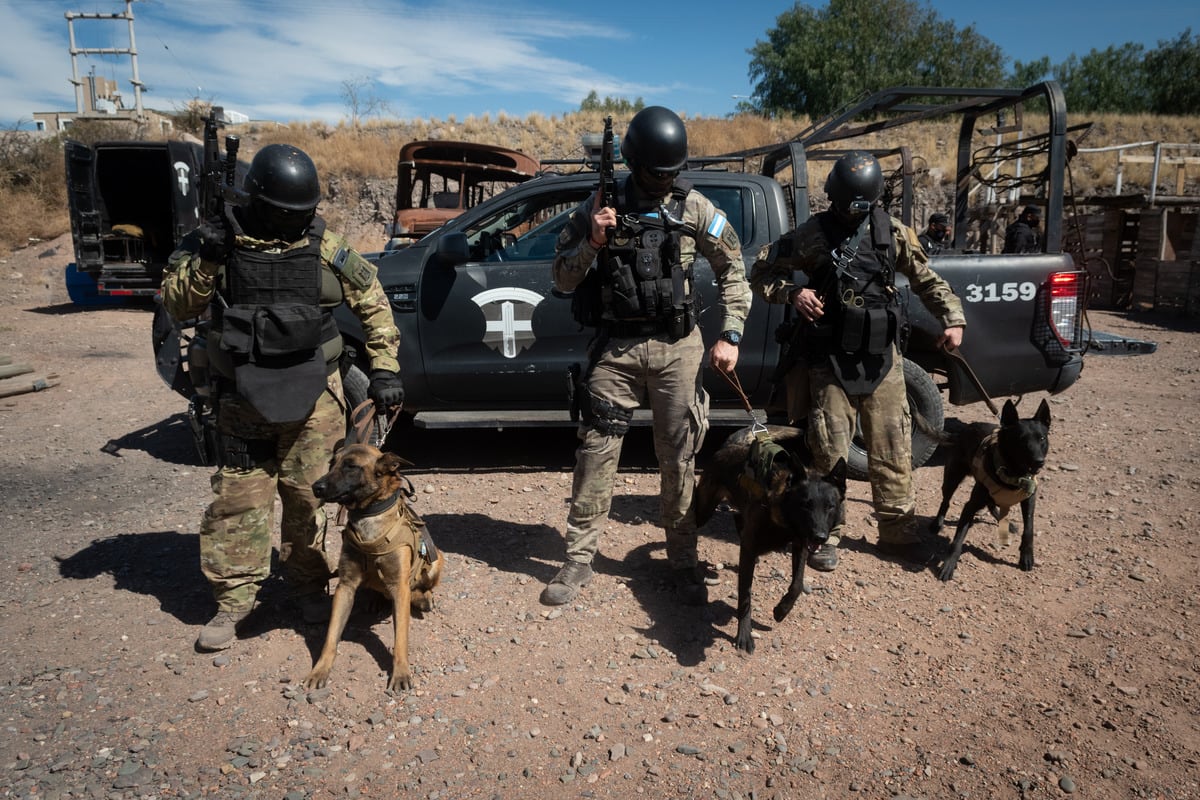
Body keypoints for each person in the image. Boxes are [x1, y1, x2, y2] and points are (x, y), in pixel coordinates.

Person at [161, 144, 403, 652]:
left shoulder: (327, 245)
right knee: (238, 502)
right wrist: (206, 257)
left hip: (315, 398)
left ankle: (308, 588)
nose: (298, 221)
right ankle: (234, 603)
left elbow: (373, 302)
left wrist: (384, 368)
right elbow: (178, 305)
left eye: (304, 213)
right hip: (240, 397)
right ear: (260, 203)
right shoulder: (214, 241)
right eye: (287, 214)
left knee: (308, 498)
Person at [543, 105, 751, 606]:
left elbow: (734, 273)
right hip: (616, 350)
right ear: (634, 164)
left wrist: (732, 334)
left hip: (679, 348)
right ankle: (578, 559)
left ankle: (682, 558)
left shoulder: (694, 208)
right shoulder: (597, 205)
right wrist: (594, 239)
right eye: (658, 173)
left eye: (673, 173)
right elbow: (561, 279)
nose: (665, 181)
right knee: (596, 452)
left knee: (679, 455)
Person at [750, 151, 966, 572]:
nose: (853, 212)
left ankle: (898, 533)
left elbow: (926, 279)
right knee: (828, 450)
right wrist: (792, 294)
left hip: (882, 360)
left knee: (892, 447)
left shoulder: (893, 233)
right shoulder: (812, 235)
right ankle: (825, 534)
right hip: (828, 361)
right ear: (832, 196)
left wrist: (953, 318)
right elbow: (761, 273)